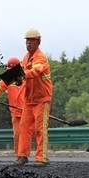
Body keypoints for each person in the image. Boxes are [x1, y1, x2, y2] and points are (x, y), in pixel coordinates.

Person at [16, 28, 53, 166]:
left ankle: (41, 158)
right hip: (29, 99)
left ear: (39, 41)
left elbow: (35, 71)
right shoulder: (25, 58)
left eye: (31, 40)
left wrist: (23, 75)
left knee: (40, 129)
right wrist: (17, 79)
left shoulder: (41, 57)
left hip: (42, 99)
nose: (28, 43)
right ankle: (22, 156)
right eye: (27, 40)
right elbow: (22, 73)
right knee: (24, 127)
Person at [0, 56, 27, 158]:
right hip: (16, 113)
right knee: (17, 136)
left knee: (29, 135)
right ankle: (20, 157)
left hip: (28, 113)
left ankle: (39, 157)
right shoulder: (9, 79)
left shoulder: (28, 78)